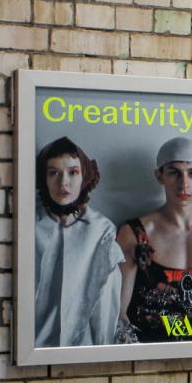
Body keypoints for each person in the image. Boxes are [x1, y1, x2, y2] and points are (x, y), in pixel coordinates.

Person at [32, 137, 122, 347]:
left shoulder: (101, 231)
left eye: (73, 172)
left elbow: (105, 304)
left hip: (82, 348)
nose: (63, 183)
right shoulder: (28, 224)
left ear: (85, 176)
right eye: (54, 173)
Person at [116, 137, 192, 342]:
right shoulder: (135, 233)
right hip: (152, 351)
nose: (184, 184)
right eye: (174, 172)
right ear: (160, 176)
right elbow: (119, 312)